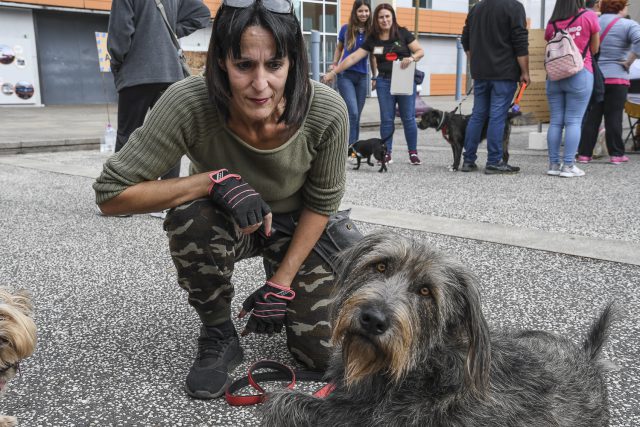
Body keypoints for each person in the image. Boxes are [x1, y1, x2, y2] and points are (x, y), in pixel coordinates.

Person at [94, 0, 353, 400]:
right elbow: (111, 195)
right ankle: (218, 332)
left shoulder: (326, 110)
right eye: (244, 65)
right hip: (234, 222)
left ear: (294, 63)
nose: (261, 84)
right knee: (191, 215)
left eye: (275, 65)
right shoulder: (188, 102)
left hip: (299, 225)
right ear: (219, 62)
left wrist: (282, 283)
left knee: (321, 358)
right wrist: (209, 182)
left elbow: (322, 204)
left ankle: (284, 281)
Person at [107, 0, 211, 182]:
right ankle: (166, 201)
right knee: (169, 137)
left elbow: (120, 34)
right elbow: (202, 13)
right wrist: (169, 32)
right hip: (170, 73)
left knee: (127, 134)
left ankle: (120, 194)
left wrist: (116, 63)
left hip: (135, 75)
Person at [324, 3, 425, 166]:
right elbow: (352, 58)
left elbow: (420, 51)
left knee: (408, 118)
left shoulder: (403, 33)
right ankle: (386, 153)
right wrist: (334, 71)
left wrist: (412, 58)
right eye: (381, 17)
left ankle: (413, 153)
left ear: (392, 17)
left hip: (404, 78)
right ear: (376, 20)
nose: (384, 20)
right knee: (386, 119)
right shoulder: (373, 39)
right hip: (384, 81)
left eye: (387, 16)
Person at [460, 0, 530, 174]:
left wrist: (474, 60)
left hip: (481, 72)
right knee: (497, 117)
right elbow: (520, 40)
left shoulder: (477, 8)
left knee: (477, 115)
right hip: (504, 72)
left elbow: (465, 39)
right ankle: (494, 161)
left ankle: (468, 160)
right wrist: (525, 72)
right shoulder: (514, 7)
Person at [577, 0, 640, 165]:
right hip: (617, 78)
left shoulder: (593, 20)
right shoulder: (629, 25)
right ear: (620, 7)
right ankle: (616, 154)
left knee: (592, 116)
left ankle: (584, 154)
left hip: (594, 76)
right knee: (613, 116)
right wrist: (628, 61)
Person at [544, 0, 600, 178]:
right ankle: (568, 166)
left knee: (556, 121)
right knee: (574, 121)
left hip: (554, 76)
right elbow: (595, 48)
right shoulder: (589, 16)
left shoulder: (552, 23)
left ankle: (553, 164)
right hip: (580, 73)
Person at [329, 0, 376, 151]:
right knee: (353, 112)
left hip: (362, 77)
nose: (364, 14)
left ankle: (353, 149)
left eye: (366, 11)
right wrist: (335, 64)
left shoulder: (372, 32)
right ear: (355, 12)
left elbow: (373, 57)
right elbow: (339, 48)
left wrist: (375, 76)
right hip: (346, 76)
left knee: (356, 116)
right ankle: (348, 147)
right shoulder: (346, 29)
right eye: (360, 11)